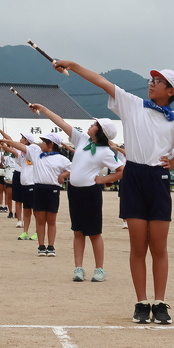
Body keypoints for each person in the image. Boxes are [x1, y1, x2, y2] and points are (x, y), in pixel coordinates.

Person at [52, 58, 174, 325]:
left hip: (158, 179)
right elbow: (102, 82)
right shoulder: (133, 104)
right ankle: (141, 302)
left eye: (158, 81)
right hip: (134, 176)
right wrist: (74, 65)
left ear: (171, 90)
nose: (151, 84)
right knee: (138, 246)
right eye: (151, 79)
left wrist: (172, 163)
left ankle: (160, 303)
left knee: (159, 247)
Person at [35, 104, 124, 281]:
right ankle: (78, 268)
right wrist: (44, 110)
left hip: (91, 193)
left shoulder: (106, 152)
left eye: (95, 125)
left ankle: (99, 269)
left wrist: (103, 180)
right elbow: (61, 123)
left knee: (94, 232)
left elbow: (122, 170)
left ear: (101, 132)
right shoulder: (82, 139)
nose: (91, 125)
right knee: (78, 231)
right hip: (74, 191)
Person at [0, 131, 71, 257]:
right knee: (40, 220)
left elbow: (73, 168)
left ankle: (51, 246)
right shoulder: (37, 154)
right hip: (39, 188)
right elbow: (20, 147)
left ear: (51, 144)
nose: (41, 144)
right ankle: (41, 246)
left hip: (53, 189)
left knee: (51, 220)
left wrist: (63, 175)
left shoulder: (61, 159)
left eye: (44, 142)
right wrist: (7, 141)